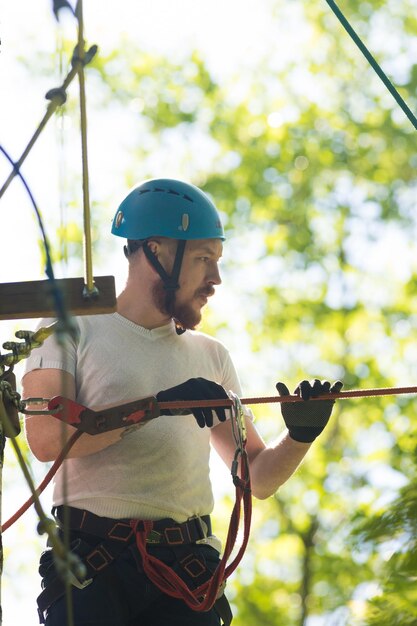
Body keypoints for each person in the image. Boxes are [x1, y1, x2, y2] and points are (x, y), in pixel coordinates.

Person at [22, 178, 343, 626]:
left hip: (185, 573)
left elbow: (258, 478)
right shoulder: (69, 326)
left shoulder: (211, 356)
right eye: (203, 259)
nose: (215, 279)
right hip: (91, 569)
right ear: (157, 251)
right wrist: (156, 407)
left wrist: (300, 435)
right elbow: (46, 438)